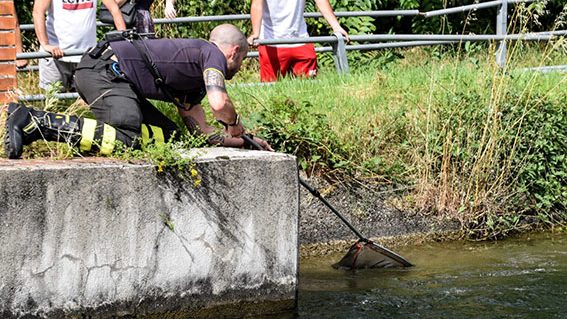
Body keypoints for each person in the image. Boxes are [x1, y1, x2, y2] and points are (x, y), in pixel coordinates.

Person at [4, 24, 272, 160]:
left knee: (172, 139)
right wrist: (235, 123)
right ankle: (34, 122)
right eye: (241, 59)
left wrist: (246, 143)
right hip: (104, 70)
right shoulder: (210, 53)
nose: (237, 67)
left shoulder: (193, 77)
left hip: (112, 77)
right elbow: (219, 103)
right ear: (234, 51)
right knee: (126, 136)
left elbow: (200, 133)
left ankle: (46, 127)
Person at [33, 0, 126, 92]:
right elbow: (38, 12)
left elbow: (114, 9)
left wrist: (122, 40)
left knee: (88, 100)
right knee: (53, 99)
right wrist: (45, 44)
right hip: (55, 54)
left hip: (86, 55)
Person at [247, 0, 349, 82]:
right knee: (270, 91)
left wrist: (336, 27)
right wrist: (256, 33)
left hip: (301, 39)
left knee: (309, 88)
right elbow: (257, 4)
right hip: (271, 43)